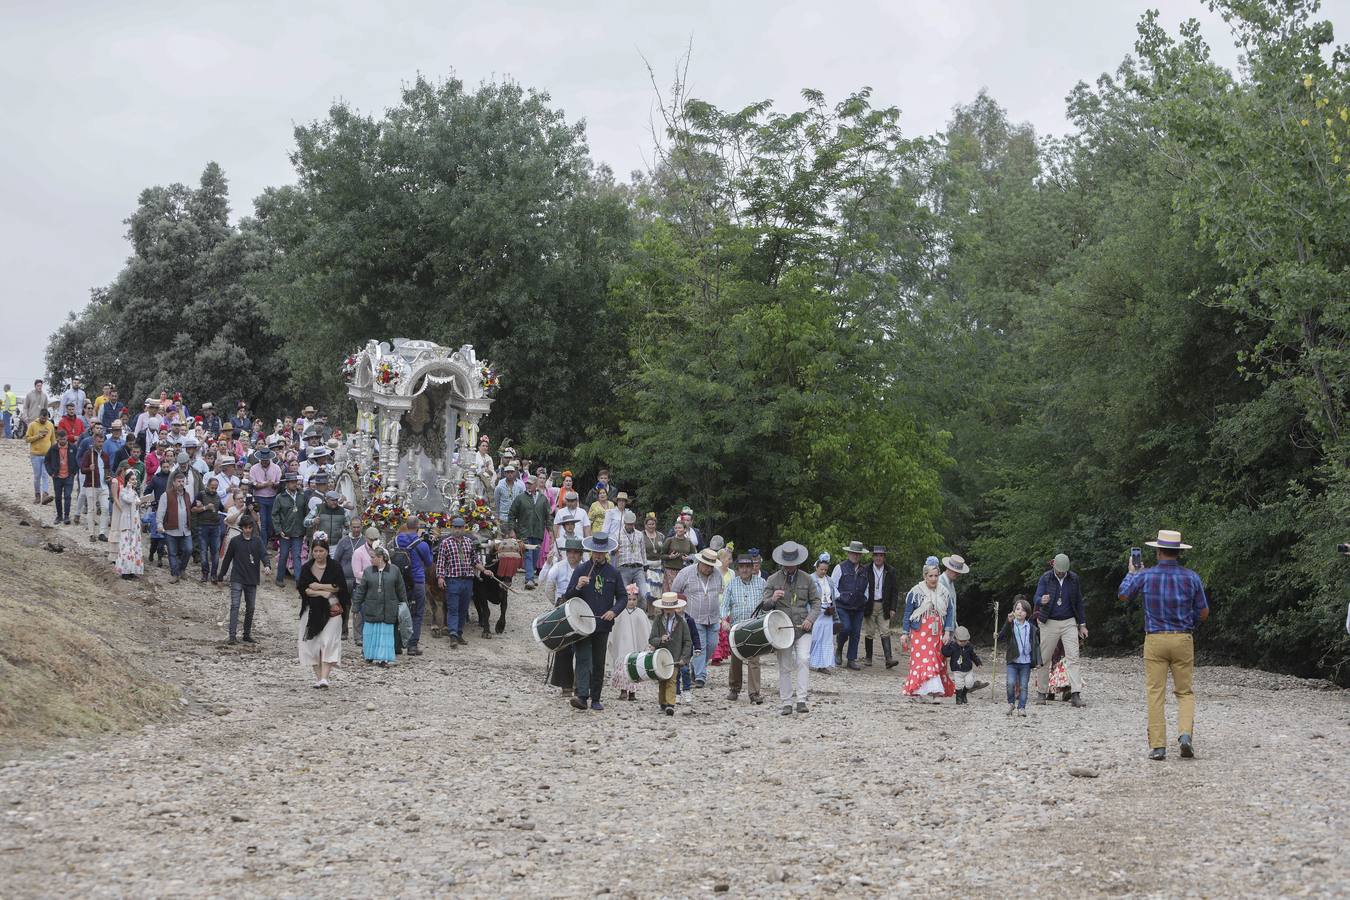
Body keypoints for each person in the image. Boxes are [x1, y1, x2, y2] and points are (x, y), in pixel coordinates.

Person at [1117, 529, 1209, 761]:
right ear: (1178, 552)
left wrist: (1132, 572)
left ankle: (1158, 747)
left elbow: (1123, 595)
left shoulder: (1146, 575)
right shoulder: (1191, 577)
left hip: (1155, 639)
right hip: (1182, 638)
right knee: (1185, 692)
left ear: (1158, 551)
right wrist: (1190, 623)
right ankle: (1185, 735)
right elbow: (1203, 611)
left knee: (1155, 693)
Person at [566, 531, 626, 711]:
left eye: (601, 553)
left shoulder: (614, 572)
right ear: (591, 551)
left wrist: (613, 611)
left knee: (598, 662)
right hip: (582, 624)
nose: (598, 556)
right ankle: (582, 696)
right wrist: (578, 586)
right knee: (583, 658)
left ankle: (596, 698)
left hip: (602, 624)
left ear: (606, 552)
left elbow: (623, 597)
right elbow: (568, 596)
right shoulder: (580, 570)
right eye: (595, 552)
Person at [762, 541, 820, 715]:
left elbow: (816, 602)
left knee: (803, 660)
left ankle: (801, 700)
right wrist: (773, 599)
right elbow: (764, 606)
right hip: (782, 629)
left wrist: (810, 619)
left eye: (792, 563)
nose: (789, 566)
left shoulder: (807, 579)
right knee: (785, 666)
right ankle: (786, 702)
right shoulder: (772, 579)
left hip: (803, 628)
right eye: (786, 563)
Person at [1033, 553, 1088, 708]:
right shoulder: (1045, 578)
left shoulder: (1074, 579)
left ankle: (1075, 694)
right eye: (1059, 571)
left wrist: (1082, 624)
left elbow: (1078, 602)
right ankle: (1041, 692)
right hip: (1049, 621)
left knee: (1073, 657)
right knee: (1044, 658)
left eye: (1064, 571)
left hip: (1069, 621)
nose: (1061, 573)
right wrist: (1041, 600)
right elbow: (1036, 597)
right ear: (1053, 566)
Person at [297, 534, 350, 688]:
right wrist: (324, 592)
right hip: (312, 610)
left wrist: (317, 587)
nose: (318, 554)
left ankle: (325, 677)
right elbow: (304, 589)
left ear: (327, 551)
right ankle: (319, 677)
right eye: (316, 551)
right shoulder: (307, 568)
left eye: (321, 551)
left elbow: (339, 587)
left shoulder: (335, 567)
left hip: (332, 610)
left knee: (328, 641)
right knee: (311, 644)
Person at [901, 563, 956, 702]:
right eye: (930, 576)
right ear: (924, 576)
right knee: (923, 659)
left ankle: (934, 692)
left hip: (937, 632)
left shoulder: (944, 592)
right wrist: (905, 633)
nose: (933, 579)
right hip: (919, 631)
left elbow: (950, 612)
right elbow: (907, 613)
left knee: (936, 659)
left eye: (936, 576)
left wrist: (947, 632)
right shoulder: (916, 592)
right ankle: (921, 691)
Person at [670, 547, 724, 688]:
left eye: (711, 566)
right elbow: (675, 591)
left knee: (712, 646)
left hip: (713, 617)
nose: (709, 568)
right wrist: (678, 612)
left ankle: (696, 667)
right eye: (707, 565)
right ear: (700, 562)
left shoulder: (717, 574)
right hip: (694, 617)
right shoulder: (685, 573)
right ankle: (700, 677)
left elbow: (720, 592)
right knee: (701, 646)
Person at [721, 553, 767, 704]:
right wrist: (724, 620)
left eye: (748, 566)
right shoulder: (732, 584)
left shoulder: (761, 582)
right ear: (738, 568)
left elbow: (767, 603)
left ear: (753, 568)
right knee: (736, 659)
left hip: (755, 627)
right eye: (742, 567)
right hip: (736, 627)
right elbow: (724, 605)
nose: (745, 569)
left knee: (754, 660)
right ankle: (734, 689)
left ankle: (754, 693)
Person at [435, 516, 487, 645]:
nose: (457, 530)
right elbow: (441, 562)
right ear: (452, 528)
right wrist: (440, 577)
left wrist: (484, 570)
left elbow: (474, 560)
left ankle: (459, 633)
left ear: (464, 529)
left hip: (467, 580)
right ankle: (453, 634)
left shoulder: (469, 542)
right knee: (453, 608)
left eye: (460, 527)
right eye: (455, 527)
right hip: (452, 580)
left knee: (463, 609)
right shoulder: (445, 543)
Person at [354, 541, 405, 668]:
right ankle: (369, 655)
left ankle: (383, 658)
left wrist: (404, 606)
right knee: (370, 633)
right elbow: (361, 590)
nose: (370, 559)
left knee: (385, 634)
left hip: (389, 608)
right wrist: (356, 606)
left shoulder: (394, 570)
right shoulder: (368, 572)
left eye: (373, 557)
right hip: (372, 608)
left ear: (381, 558)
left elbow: (401, 589)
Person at [220, 516, 270, 644]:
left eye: (250, 527)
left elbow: (264, 554)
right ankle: (232, 636)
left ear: (252, 528)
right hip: (237, 577)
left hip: (251, 579)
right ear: (241, 528)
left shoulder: (257, 541)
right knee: (235, 605)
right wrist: (221, 576)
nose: (248, 530)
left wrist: (267, 565)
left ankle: (246, 634)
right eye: (245, 527)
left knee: (251, 607)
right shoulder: (235, 541)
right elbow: (227, 559)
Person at [545, 537, 585, 693]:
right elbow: (549, 588)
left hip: (581, 607)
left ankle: (581, 684)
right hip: (563, 606)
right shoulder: (558, 567)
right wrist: (557, 604)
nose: (572, 555)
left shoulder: (586, 568)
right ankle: (565, 684)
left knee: (582, 646)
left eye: (575, 552)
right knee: (563, 646)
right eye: (569, 552)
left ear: (581, 554)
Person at [395, 516, 434, 655]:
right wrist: (429, 545)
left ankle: (397, 644)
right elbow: (429, 563)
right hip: (417, 581)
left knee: (398, 612)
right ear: (417, 526)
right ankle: (412, 645)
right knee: (417, 613)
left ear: (406, 525)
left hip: (399, 581)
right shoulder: (422, 544)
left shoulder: (396, 540)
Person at [649, 592, 692, 716]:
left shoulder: (682, 622)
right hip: (660, 656)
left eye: (670, 608)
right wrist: (660, 640)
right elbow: (651, 639)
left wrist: (684, 657)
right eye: (666, 608)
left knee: (672, 679)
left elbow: (687, 641)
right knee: (662, 680)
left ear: (675, 608)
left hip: (675, 656)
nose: (668, 611)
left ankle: (670, 704)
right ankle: (663, 702)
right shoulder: (657, 620)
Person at [996, 596, 1040, 716]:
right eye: (1018, 609)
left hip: (1026, 661)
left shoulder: (1031, 627)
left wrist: (1038, 661)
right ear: (1014, 611)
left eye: (1023, 610)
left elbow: (1036, 645)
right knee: (1010, 683)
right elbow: (1002, 636)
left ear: (1027, 613)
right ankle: (1011, 703)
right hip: (1013, 660)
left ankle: (1022, 708)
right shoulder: (1011, 625)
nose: (1020, 612)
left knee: (1023, 686)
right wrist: (1007, 622)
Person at [506, 474, 551, 589]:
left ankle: (530, 575)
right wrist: (511, 530)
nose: (528, 485)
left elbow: (548, 516)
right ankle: (530, 579)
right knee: (528, 555)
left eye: (531, 484)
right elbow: (511, 515)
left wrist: (550, 531)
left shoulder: (543, 499)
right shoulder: (520, 498)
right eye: (527, 483)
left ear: (536, 485)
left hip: (538, 532)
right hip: (524, 532)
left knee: (535, 556)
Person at [608, 580, 648, 702]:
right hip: (622, 645)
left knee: (634, 667)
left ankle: (632, 693)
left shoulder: (640, 613)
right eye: (629, 599)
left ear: (637, 600)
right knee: (622, 667)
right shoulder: (619, 613)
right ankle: (623, 691)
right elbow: (614, 629)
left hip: (635, 646)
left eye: (634, 599)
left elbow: (645, 630)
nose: (631, 602)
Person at [831, 541, 868, 670]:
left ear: (861, 555)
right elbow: (833, 586)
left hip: (858, 607)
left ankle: (851, 659)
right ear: (848, 553)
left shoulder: (865, 570)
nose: (855, 555)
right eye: (853, 553)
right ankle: (839, 649)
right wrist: (840, 598)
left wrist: (865, 598)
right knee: (845, 628)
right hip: (842, 606)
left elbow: (867, 588)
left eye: (858, 553)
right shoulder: (840, 567)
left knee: (856, 633)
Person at [156, 470, 194, 583]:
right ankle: (174, 574)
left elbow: (189, 510)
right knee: (172, 553)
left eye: (183, 481)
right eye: (179, 481)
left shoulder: (187, 495)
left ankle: (182, 569)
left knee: (189, 550)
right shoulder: (166, 495)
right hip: (171, 529)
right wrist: (159, 524)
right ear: (173, 482)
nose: (181, 483)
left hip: (186, 530)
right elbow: (160, 512)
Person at [272, 472, 306, 584]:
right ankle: (279, 578)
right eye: (291, 482)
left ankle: (298, 581)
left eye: (295, 482)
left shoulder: (302, 496)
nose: (294, 484)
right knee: (284, 555)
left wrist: (305, 529)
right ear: (286, 484)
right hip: (285, 532)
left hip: (298, 531)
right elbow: (275, 515)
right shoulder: (280, 497)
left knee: (297, 556)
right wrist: (278, 530)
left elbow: (306, 513)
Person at [248, 446, 282, 549]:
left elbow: (279, 483)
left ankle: (268, 541)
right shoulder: (254, 468)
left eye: (266, 460)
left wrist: (274, 484)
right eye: (262, 460)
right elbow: (253, 484)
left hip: (272, 497)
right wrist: (266, 484)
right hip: (260, 498)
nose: (264, 462)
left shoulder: (276, 468)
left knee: (270, 522)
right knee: (263, 522)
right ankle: (263, 546)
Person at [114, 468, 145, 578]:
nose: (134, 481)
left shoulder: (134, 492)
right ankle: (125, 570)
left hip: (135, 521)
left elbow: (137, 502)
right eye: (132, 479)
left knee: (134, 545)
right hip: (127, 521)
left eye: (135, 479)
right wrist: (130, 488)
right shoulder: (124, 491)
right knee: (126, 545)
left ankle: (132, 569)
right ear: (127, 480)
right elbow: (128, 500)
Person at [809, 553, 837, 673]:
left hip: (827, 612)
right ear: (816, 567)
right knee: (815, 637)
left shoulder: (829, 580)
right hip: (815, 611)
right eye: (821, 569)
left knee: (826, 639)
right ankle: (811, 661)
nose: (823, 572)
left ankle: (824, 664)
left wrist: (833, 611)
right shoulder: (810, 579)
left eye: (825, 570)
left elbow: (834, 596)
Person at [193, 475, 223, 582]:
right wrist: (205, 507)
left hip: (216, 526)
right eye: (212, 487)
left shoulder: (218, 496)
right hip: (203, 526)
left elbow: (223, 508)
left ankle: (214, 574)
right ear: (207, 485)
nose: (214, 490)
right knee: (203, 551)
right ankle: (205, 573)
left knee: (215, 552)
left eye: (216, 488)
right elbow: (193, 509)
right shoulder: (201, 495)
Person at [44, 428, 77, 525]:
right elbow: (46, 461)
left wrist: (74, 471)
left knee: (67, 496)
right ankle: (59, 516)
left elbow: (78, 459)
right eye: (60, 439)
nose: (62, 441)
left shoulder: (73, 448)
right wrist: (51, 472)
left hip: (69, 476)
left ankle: (66, 516)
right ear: (57, 439)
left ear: (67, 438)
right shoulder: (53, 448)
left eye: (64, 439)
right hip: (57, 476)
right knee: (58, 497)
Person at [943, 626, 982, 705]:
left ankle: (964, 694)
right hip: (957, 670)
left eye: (965, 641)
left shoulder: (969, 647)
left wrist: (978, 663)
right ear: (955, 639)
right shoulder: (952, 646)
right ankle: (958, 698)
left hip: (968, 670)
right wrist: (946, 645)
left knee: (969, 684)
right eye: (961, 641)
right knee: (959, 685)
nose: (963, 643)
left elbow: (973, 655)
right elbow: (946, 653)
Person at [25, 407, 56, 504]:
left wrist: (54, 453)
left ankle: (45, 495)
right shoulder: (32, 425)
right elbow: (27, 439)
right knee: (37, 476)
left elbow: (53, 440)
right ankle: (37, 495)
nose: (44, 420)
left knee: (45, 475)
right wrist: (38, 436)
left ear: (47, 417)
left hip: (47, 455)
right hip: (35, 455)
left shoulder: (50, 425)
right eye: (42, 418)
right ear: (39, 416)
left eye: (45, 419)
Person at [659, 520, 695, 593]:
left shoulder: (688, 541)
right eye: (676, 528)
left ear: (685, 529)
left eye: (680, 528)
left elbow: (694, 556)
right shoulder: (669, 540)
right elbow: (661, 555)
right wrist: (670, 557)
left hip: (684, 571)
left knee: (682, 593)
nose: (677, 530)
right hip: (670, 570)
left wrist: (688, 558)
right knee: (672, 593)